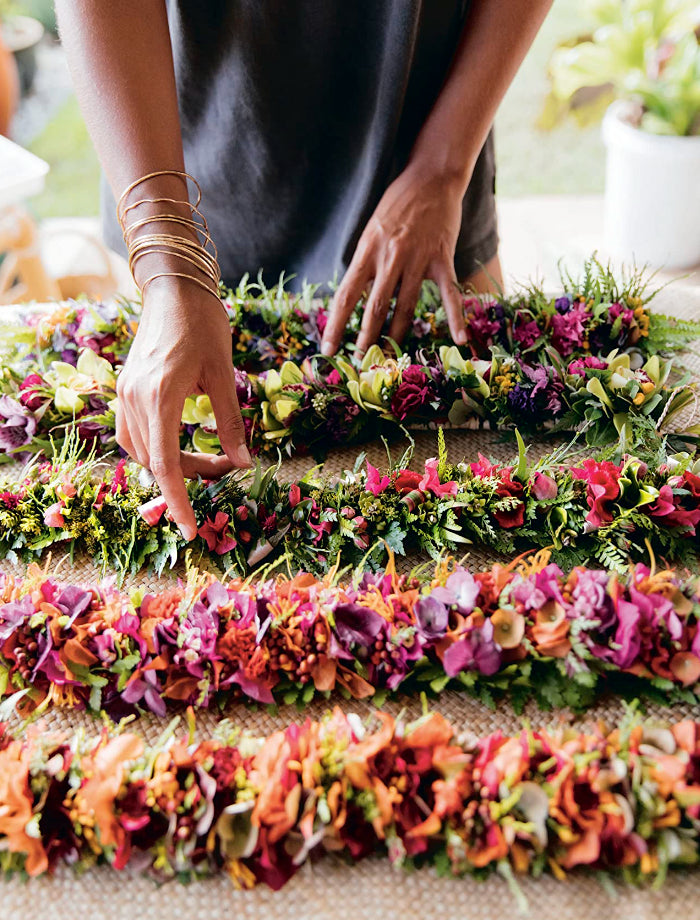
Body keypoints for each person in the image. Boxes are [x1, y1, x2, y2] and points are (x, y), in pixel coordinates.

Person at [55, 0, 552, 541]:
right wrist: (169, 267)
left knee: (498, 462)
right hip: (183, 165)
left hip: (426, 146)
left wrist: (443, 166)